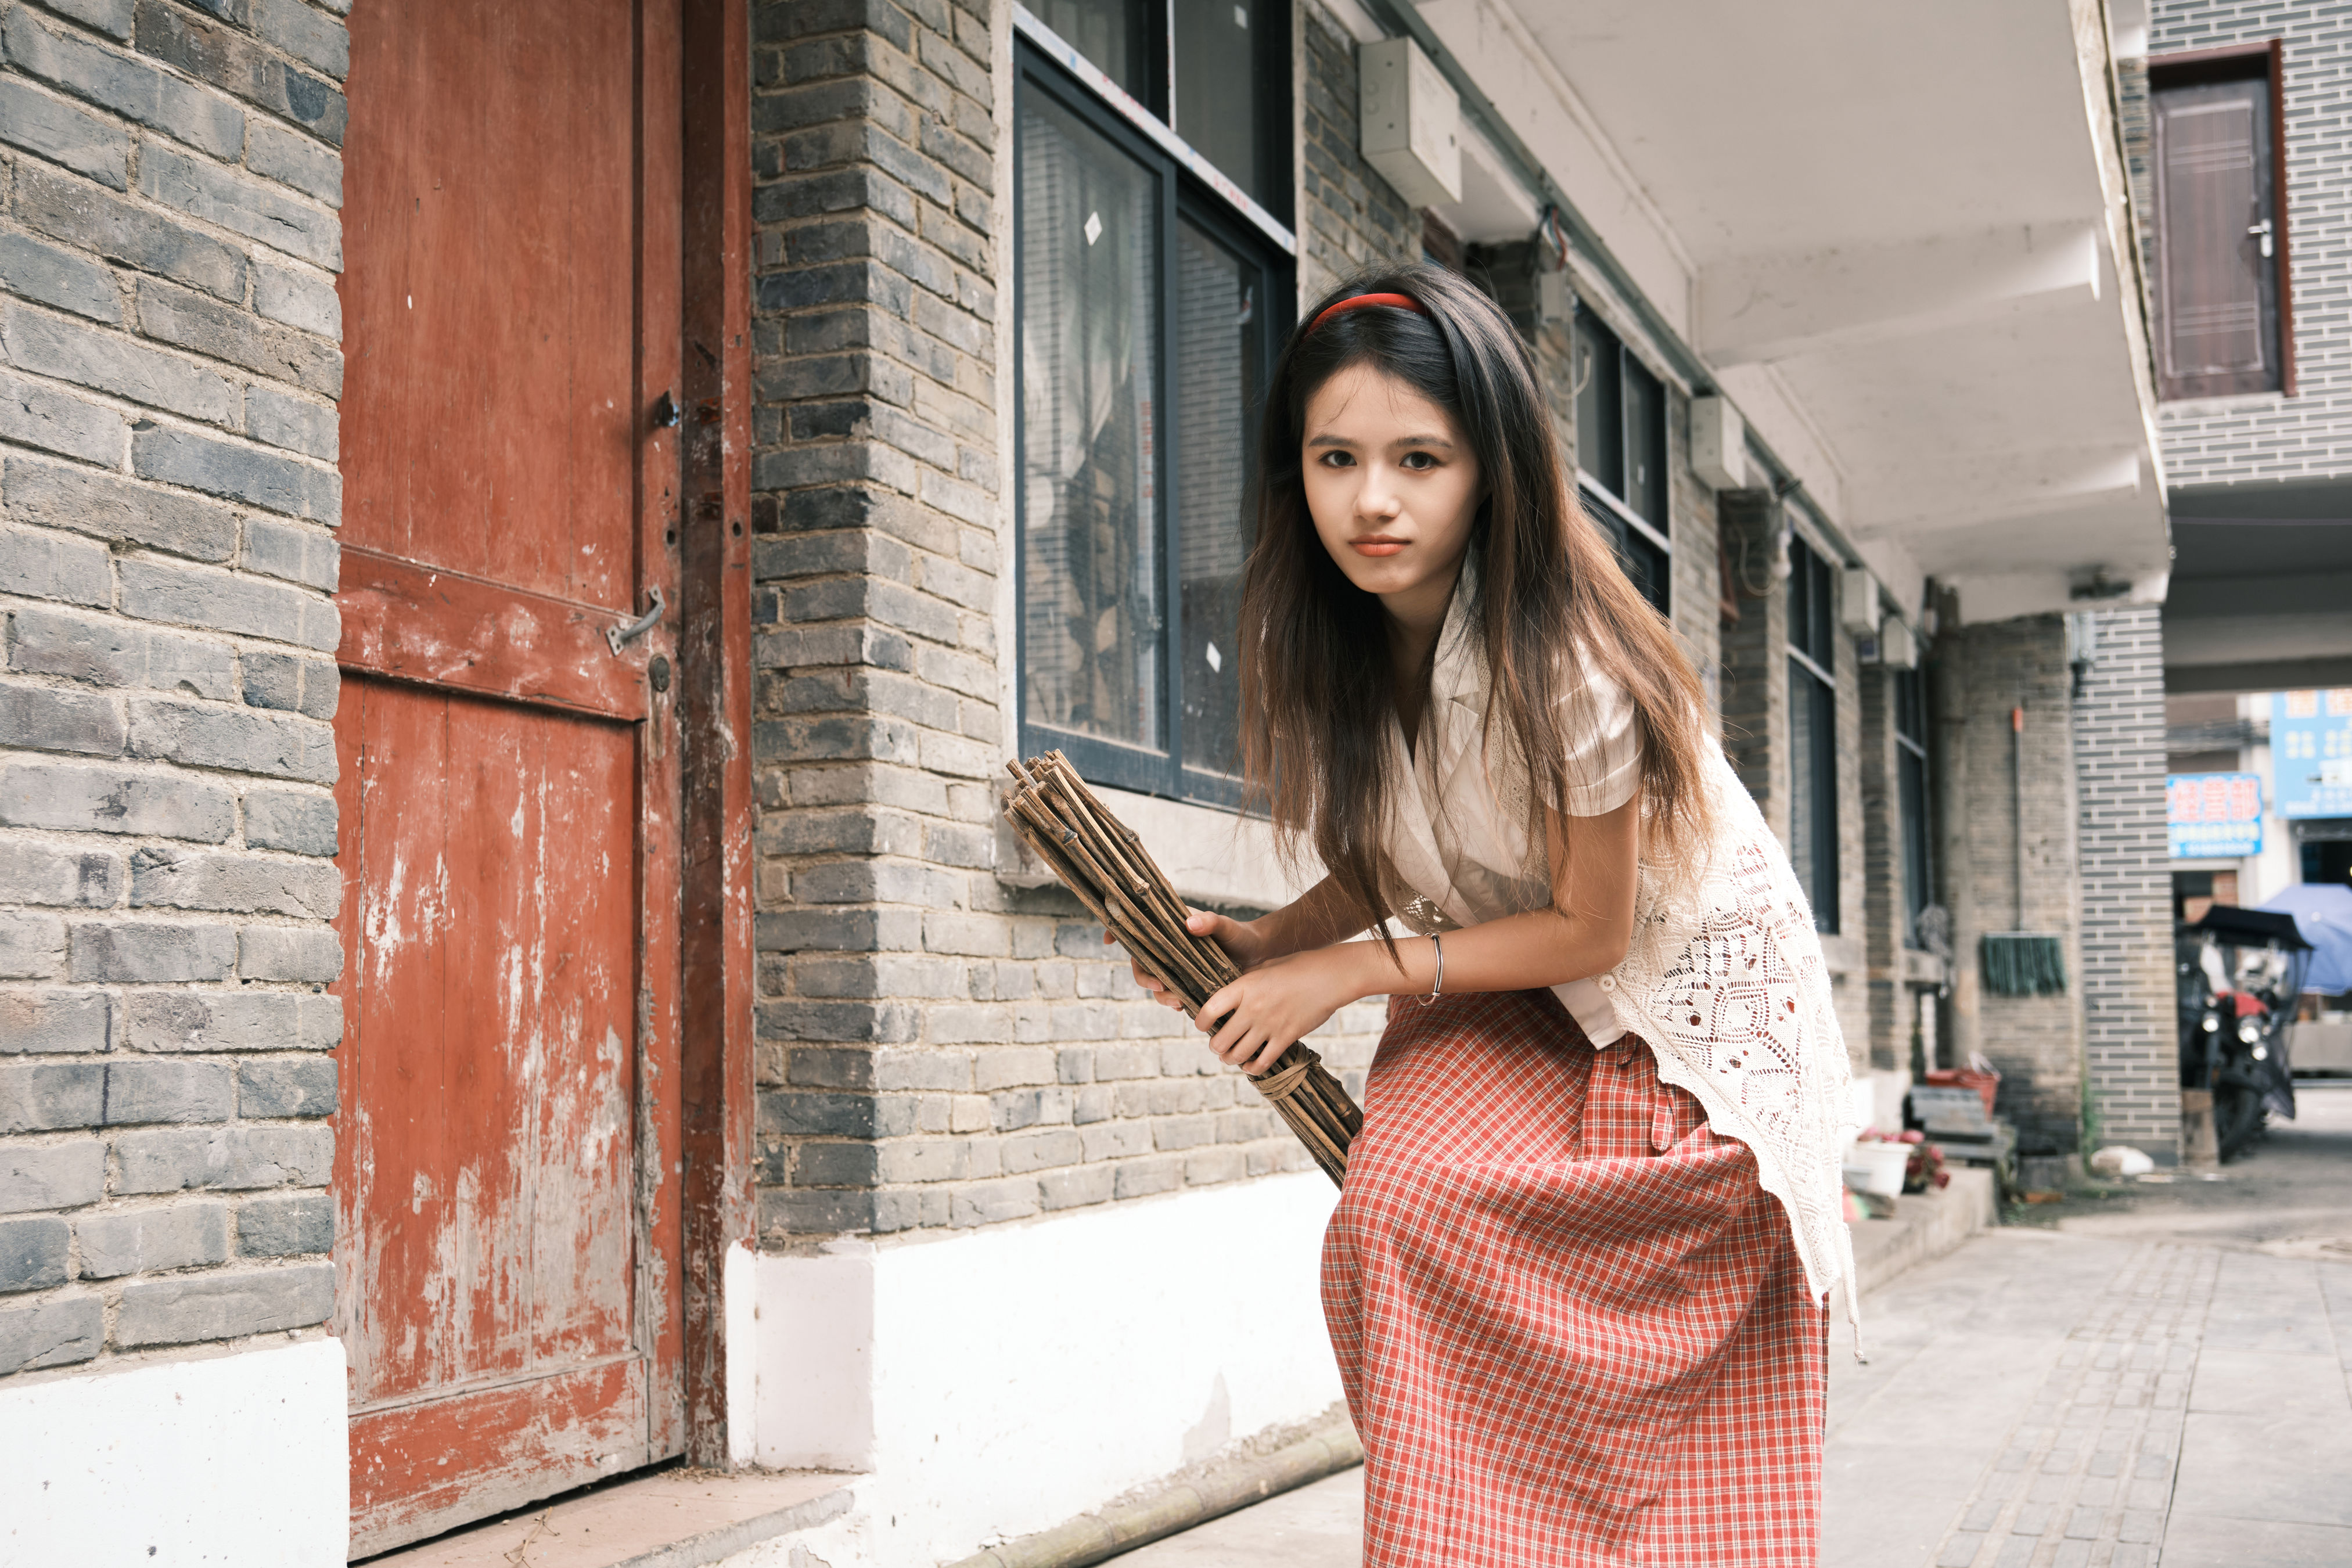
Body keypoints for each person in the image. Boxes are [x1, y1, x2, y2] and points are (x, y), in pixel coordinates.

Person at [1124, 265, 1858, 1566]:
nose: (1374, 500)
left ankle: (1586, 1530)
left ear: (1493, 472)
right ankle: (1457, 1535)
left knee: (1438, 1214)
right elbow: (1398, 852)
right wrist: (1271, 944)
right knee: (1390, 1213)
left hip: (1661, 1039)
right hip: (1518, 987)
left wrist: (1348, 973)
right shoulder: (1347, 639)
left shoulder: (1568, 662)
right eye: (1334, 457)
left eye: (1421, 459)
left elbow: (1590, 929)